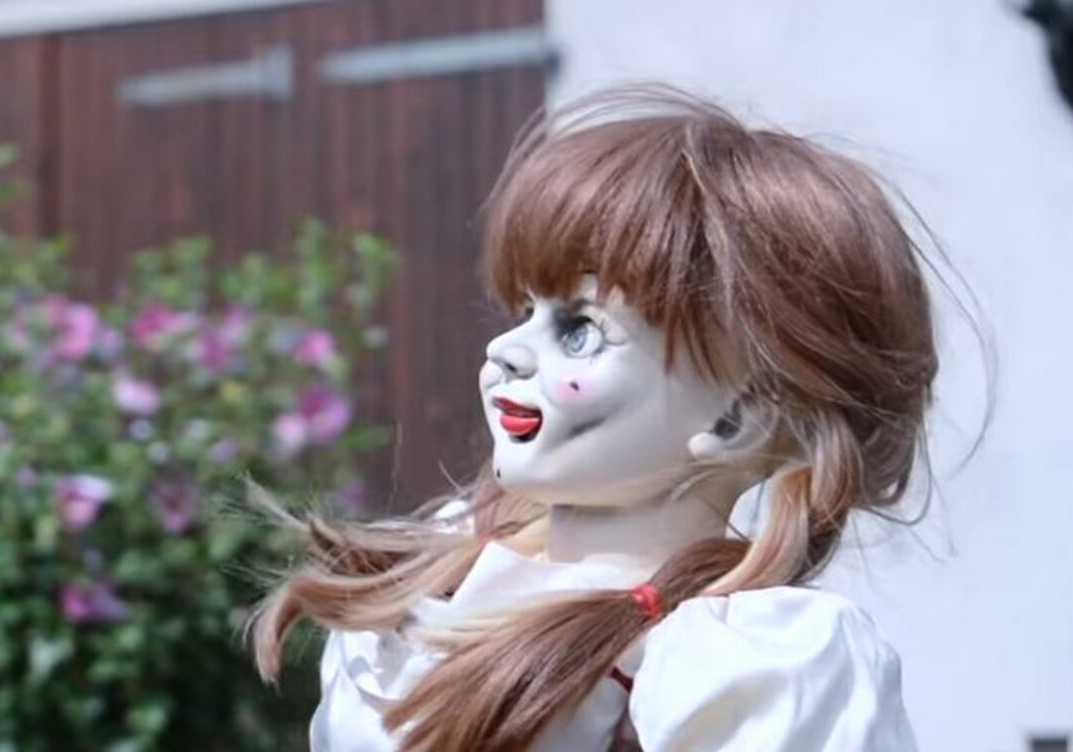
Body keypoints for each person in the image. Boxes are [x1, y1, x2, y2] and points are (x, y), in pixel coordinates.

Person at [249, 85, 951, 751]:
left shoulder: (750, 662)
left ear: (741, 415)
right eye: (525, 310)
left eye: (579, 330)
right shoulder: (426, 595)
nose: (505, 349)